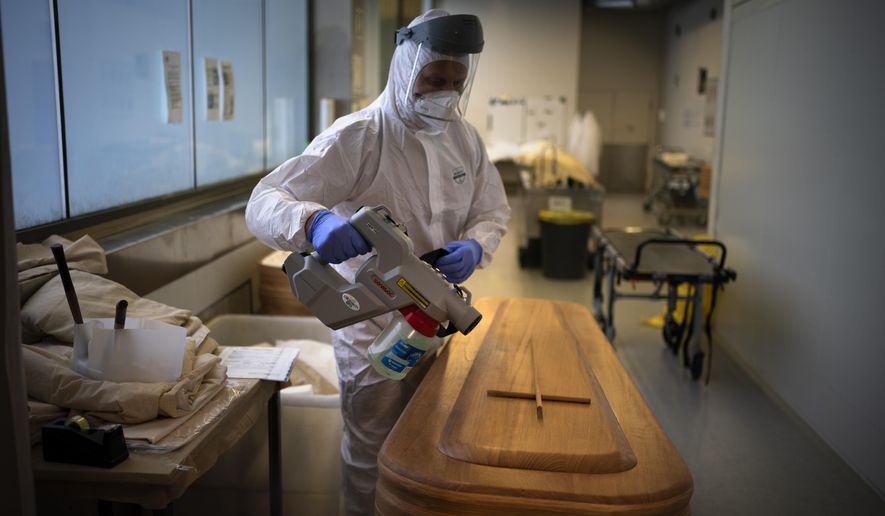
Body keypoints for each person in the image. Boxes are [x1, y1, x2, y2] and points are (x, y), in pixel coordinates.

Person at [245, 9, 510, 515]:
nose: (445, 94)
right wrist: (314, 222)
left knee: (429, 440)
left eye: (456, 82)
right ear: (407, 67)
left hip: (434, 323)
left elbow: (491, 210)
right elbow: (264, 200)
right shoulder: (360, 136)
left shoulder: (464, 140)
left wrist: (476, 244)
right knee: (371, 452)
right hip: (369, 326)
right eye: (435, 80)